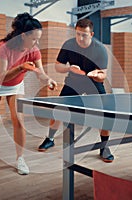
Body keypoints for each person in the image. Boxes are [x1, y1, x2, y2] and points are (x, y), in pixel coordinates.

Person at [0, 12, 57, 175]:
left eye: (38, 39)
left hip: (15, 86)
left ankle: (20, 158)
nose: (37, 43)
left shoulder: (34, 50)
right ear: (23, 36)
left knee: (19, 121)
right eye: (34, 39)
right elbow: (2, 77)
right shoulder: (4, 47)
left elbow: (40, 72)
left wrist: (48, 80)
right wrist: (21, 68)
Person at [37, 18, 114, 163]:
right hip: (73, 81)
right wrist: (69, 68)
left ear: (91, 34)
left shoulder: (100, 49)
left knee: (103, 114)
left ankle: (104, 146)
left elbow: (103, 75)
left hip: (93, 83)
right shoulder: (69, 44)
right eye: (78, 34)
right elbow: (58, 67)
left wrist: (96, 75)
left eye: (84, 35)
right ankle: (50, 138)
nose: (80, 38)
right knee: (58, 109)